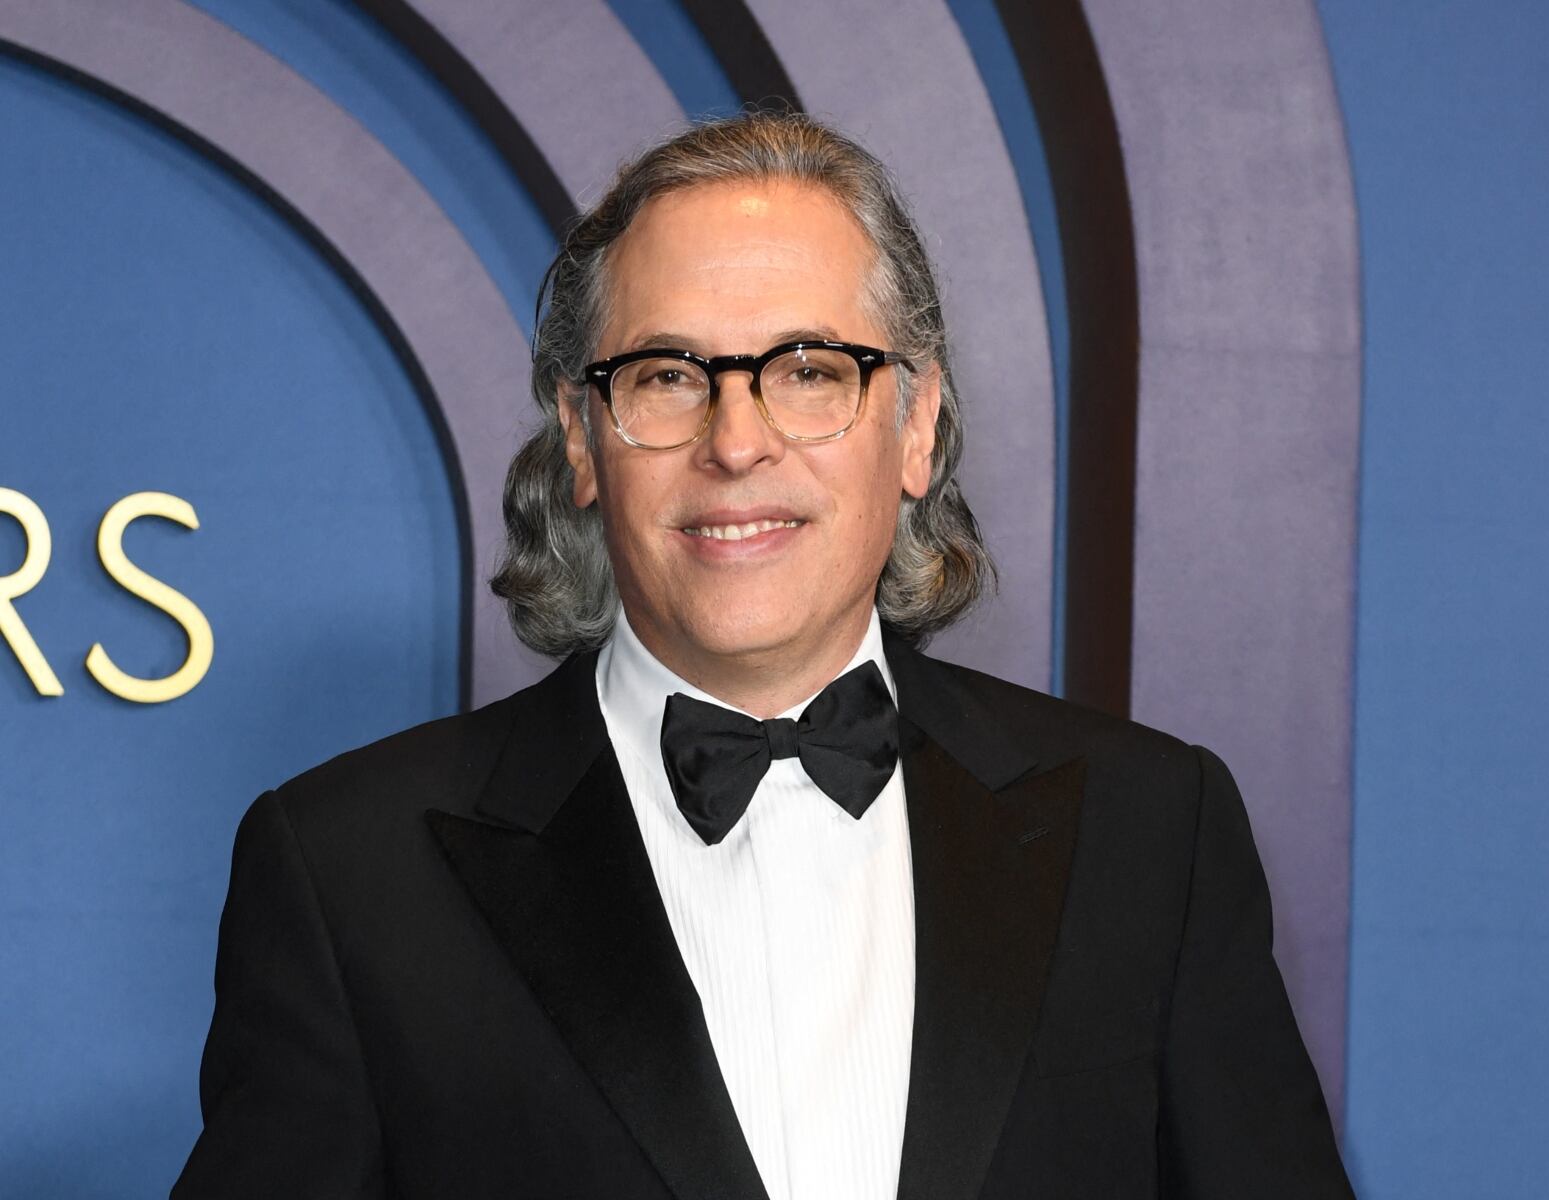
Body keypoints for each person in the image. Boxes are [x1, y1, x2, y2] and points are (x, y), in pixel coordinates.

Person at [174, 112, 1353, 1199]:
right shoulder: (349, 871)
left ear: (916, 423)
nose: (736, 443)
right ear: (583, 440)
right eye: (669, 377)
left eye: (806, 372)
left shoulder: (1152, 830)